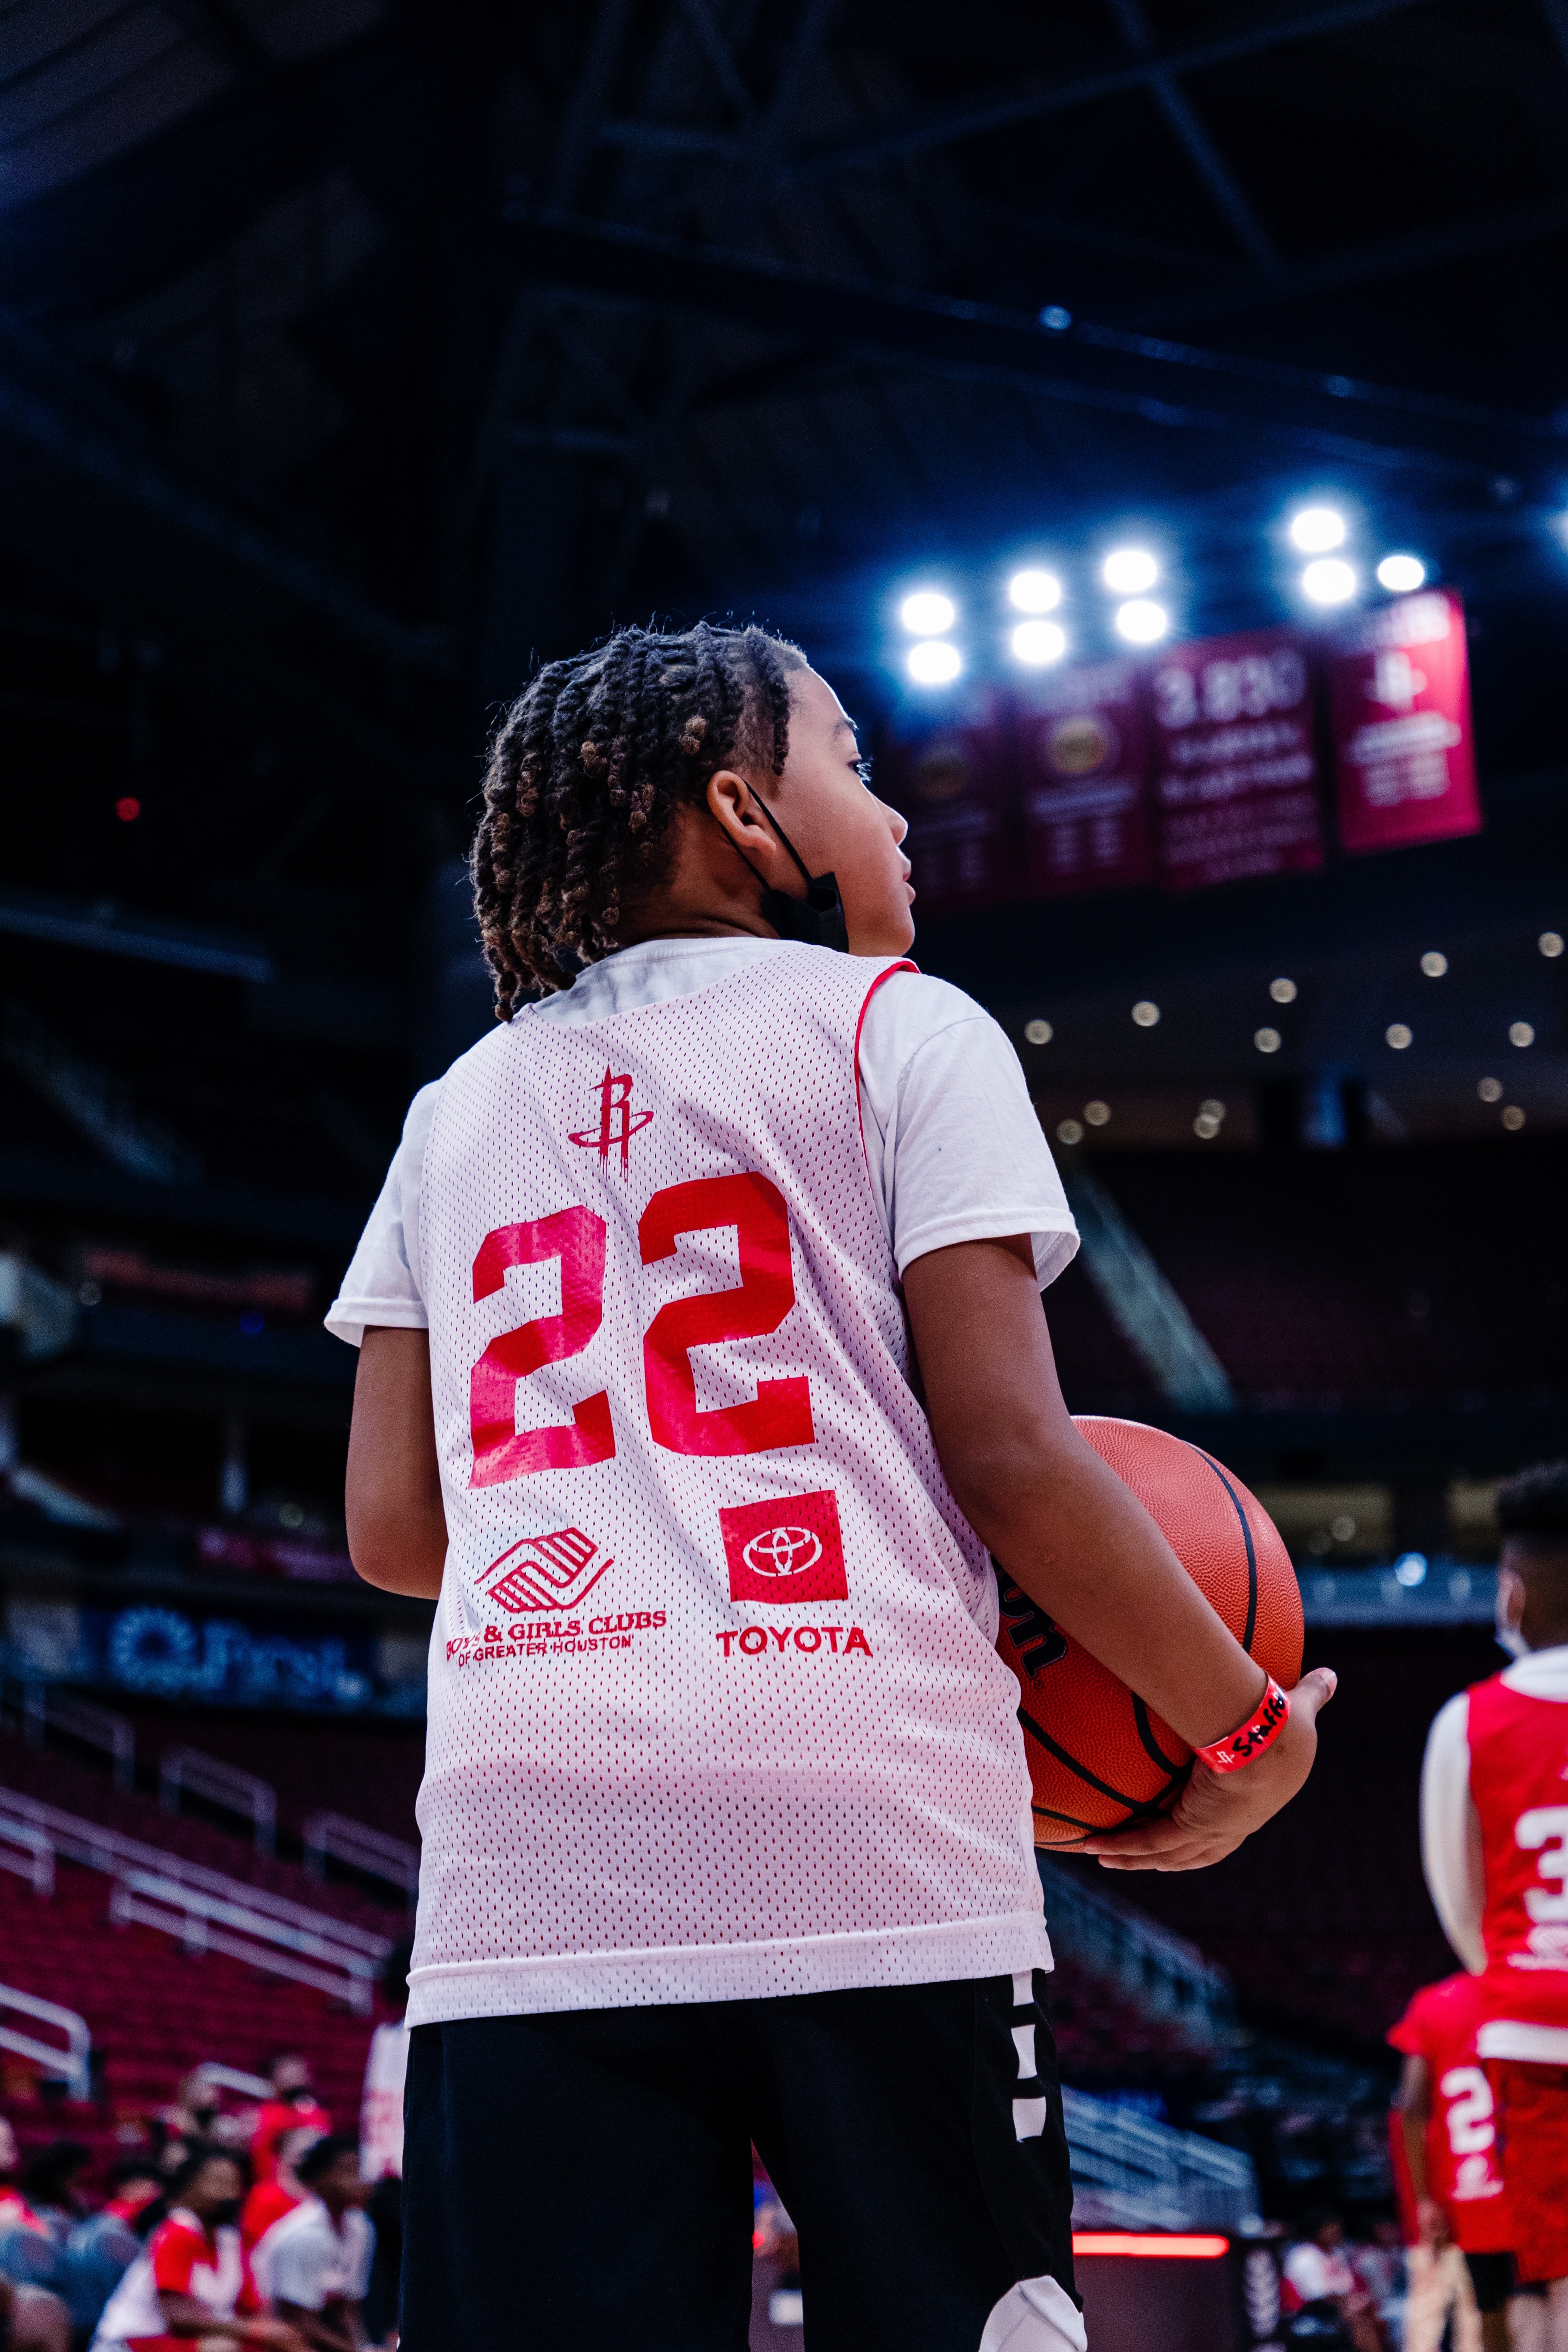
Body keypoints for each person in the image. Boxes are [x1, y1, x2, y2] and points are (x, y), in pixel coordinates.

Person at [329, 621, 1335, 2352]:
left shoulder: (454, 1107)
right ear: (744, 808)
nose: (894, 810)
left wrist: (621, 1534)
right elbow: (1015, 1460)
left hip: (528, 1859)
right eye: (853, 767)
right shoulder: (904, 1029)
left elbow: (397, 1530)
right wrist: (1245, 1733)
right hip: (863, 1823)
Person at [1423, 1461, 1568, 2350]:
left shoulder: (1468, 1719)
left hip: (1532, 2032)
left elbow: (1462, 1906)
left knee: (1547, 2291)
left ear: (1512, 1591)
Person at [90, 2145, 304, 2352]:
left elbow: (252, 2308)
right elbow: (178, 2318)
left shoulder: (231, 2239)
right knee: (226, 2347)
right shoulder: (176, 2231)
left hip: (190, 2343)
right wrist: (255, 2331)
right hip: (136, 2342)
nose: (228, 2193)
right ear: (188, 2188)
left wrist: (273, 2333)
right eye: (218, 2183)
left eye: (235, 2184)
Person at [1390, 1974, 1501, 2352]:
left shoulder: (1435, 2007)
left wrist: (1422, 2202)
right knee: (1478, 2318)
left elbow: (1409, 2106)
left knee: (1431, 2313)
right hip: (1486, 2203)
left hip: (1441, 2201)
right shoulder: (1510, 2002)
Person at [253, 2138, 373, 2352]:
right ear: (318, 2180)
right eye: (347, 2171)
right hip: (274, 2331)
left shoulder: (360, 2227)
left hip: (319, 2327)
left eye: (360, 2171)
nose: (359, 2181)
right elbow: (296, 2321)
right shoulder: (305, 2235)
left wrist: (364, 2346)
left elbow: (347, 2309)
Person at [357, 1942, 411, 2349]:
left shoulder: (385, 2035)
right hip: (408, 2176)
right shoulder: (418, 2035)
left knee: (386, 2274)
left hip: (379, 2175)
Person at [60, 2157, 165, 2338]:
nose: (157, 2195)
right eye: (153, 2188)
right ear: (129, 2187)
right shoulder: (117, 2233)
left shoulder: (97, 2222)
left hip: (80, 2323)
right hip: (105, 2327)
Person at [1284, 2214, 1380, 2352]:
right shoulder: (1304, 2255)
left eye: (1338, 2230)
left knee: (1374, 2313)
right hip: (1312, 2309)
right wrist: (1347, 2302)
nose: (1337, 2233)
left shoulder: (1336, 2252)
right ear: (1319, 2230)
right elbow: (1313, 2295)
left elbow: (1348, 2285)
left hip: (1339, 2304)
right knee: (1357, 2318)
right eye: (1332, 2229)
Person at [250, 2062, 329, 2189]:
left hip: (306, 2186)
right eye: (289, 2073)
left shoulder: (316, 2113)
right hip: (269, 2183)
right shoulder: (260, 2113)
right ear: (272, 2078)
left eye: (299, 2073)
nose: (295, 2078)